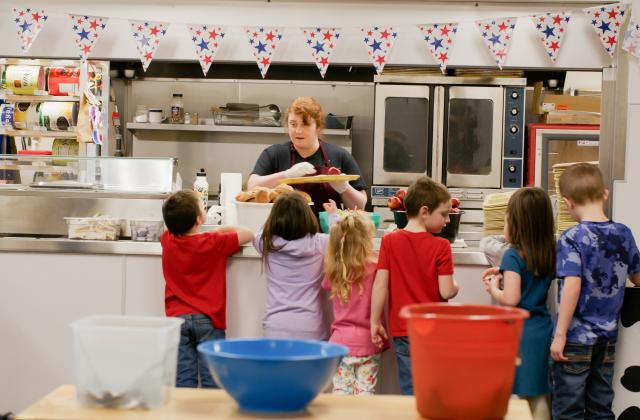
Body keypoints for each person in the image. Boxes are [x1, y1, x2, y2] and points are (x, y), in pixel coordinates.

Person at [550, 163, 640, 419]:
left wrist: (559, 335)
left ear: (567, 203)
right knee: (600, 406)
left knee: (569, 409)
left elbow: (572, 286)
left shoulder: (571, 238)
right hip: (608, 339)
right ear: (605, 194)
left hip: (575, 338)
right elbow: (637, 276)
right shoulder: (623, 234)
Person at [370, 176, 459, 395]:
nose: (447, 221)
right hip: (435, 329)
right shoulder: (441, 246)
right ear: (425, 211)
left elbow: (380, 285)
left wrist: (374, 321)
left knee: (411, 390)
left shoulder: (389, 241)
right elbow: (447, 291)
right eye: (444, 214)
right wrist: (456, 287)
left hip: (403, 330)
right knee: (435, 388)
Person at [161, 190, 254, 388]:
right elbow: (248, 234)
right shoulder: (214, 242)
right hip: (209, 319)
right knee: (212, 377)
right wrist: (219, 230)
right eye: (203, 207)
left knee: (183, 378)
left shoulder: (167, 240)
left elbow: (174, 231)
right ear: (199, 219)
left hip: (177, 319)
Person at [482, 187, 555, 420]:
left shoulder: (512, 255)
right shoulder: (549, 251)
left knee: (519, 394)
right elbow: (531, 276)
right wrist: (505, 271)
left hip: (519, 332)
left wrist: (494, 287)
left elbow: (512, 299)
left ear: (515, 223)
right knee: (538, 392)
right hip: (541, 328)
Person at [248, 96, 367, 214]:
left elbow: (360, 206)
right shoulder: (274, 154)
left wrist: (345, 188)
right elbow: (252, 187)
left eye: (305, 124)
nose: (298, 131)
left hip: (327, 231)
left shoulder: (340, 155)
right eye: (293, 124)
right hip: (284, 231)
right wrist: (286, 175)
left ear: (318, 126)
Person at [322, 203, 387, 395]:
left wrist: (333, 217)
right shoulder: (374, 268)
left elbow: (340, 240)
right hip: (369, 342)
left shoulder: (334, 271)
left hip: (340, 343)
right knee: (365, 394)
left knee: (341, 392)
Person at [253, 190, 330, 339]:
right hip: (311, 329)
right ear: (308, 216)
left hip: (275, 328)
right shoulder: (321, 243)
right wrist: (332, 216)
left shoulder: (266, 243)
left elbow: (256, 232)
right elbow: (339, 236)